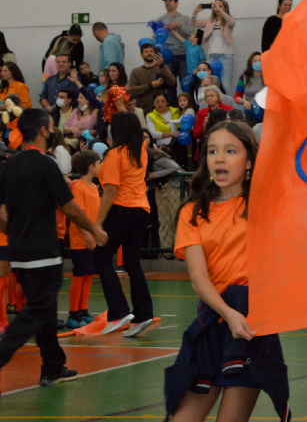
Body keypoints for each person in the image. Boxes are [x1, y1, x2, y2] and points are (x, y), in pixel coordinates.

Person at [165, 121, 290, 422]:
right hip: (212, 319)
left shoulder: (265, 204)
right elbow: (198, 278)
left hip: (252, 325)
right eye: (212, 151)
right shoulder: (192, 212)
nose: (219, 158)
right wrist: (227, 313)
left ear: (248, 161)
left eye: (230, 151)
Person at [0, 109, 108, 385]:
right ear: (44, 131)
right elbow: (69, 207)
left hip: (20, 253)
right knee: (36, 310)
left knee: (46, 309)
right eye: (50, 126)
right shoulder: (46, 165)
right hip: (43, 254)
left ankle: (52, 366)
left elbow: (2, 213)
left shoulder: (9, 165)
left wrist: (14, 231)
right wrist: (93, 229)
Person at [93, 111, 155, 337]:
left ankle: (119, 312)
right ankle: (143, 314)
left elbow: (110, 190)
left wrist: (98, 224)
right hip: (141, 210)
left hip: (121, 209)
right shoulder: (140, 151)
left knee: (100, 258)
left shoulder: (114, 155)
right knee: (132, 263)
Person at [66, 151, 102, 329]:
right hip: (81, 240)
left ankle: (83, 310)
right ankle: (73, 314)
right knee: (80, 275)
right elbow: (77, 215)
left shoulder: (94, 188)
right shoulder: (78, 187)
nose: (101, 167)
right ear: (91, 167)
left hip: (93, 240)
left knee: (88, 275)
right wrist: (87, 236)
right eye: (99, 163)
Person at [192, 0, 237, 94]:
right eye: (215, 6)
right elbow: (193, 23)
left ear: (225, 8)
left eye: (220, 6)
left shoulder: (228, 20)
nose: (217, 8)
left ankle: (228, 108)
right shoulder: (210, 21)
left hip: (226, 56)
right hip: (212, 56)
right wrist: (195, 12)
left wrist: (220, 11)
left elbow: (232, 22)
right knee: (208, 83)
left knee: (225, 84)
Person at [127, 43, 177, 114]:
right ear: (141, 55)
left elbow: (172, 82)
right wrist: (151, 85)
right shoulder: (136, 71)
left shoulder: (161, 67)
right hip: (143, 109)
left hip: (160, 110)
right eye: (146, 52)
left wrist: (161, 65)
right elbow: (132, 90)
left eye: (151, 51)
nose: (149, 53)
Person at [158, 0, 192, 94]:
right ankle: (172, 109)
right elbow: (155, 38)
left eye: (170, 0)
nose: (167, 2)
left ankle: (188, 108)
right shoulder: (159, 20)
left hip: (183, 55)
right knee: (170, 87)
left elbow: (193, 33)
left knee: (186, 85)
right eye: (166, 1)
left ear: (176, 3)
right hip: (167, 56)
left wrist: (179, 26)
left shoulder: (185, 18)